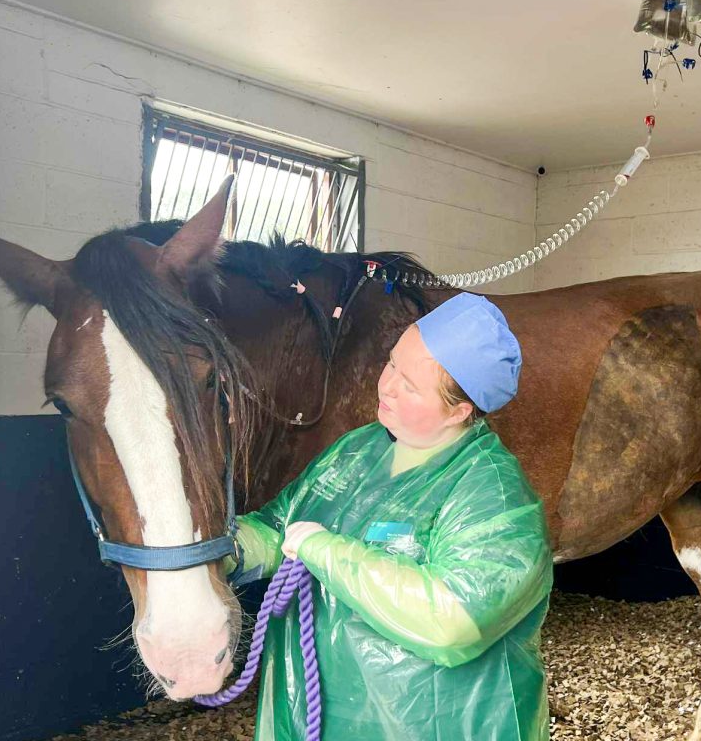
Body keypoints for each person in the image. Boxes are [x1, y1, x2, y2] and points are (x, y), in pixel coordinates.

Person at [228, 292, 554, 740]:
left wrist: (325, 551)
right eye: (392, 363)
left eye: (412, 385)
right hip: (321, 719)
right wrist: (228, 549)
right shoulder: (358, 449)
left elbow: (453, 620)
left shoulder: (494, 495)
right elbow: (282, 528)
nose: (387, 386)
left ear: (459, 411)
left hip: (435, 726)